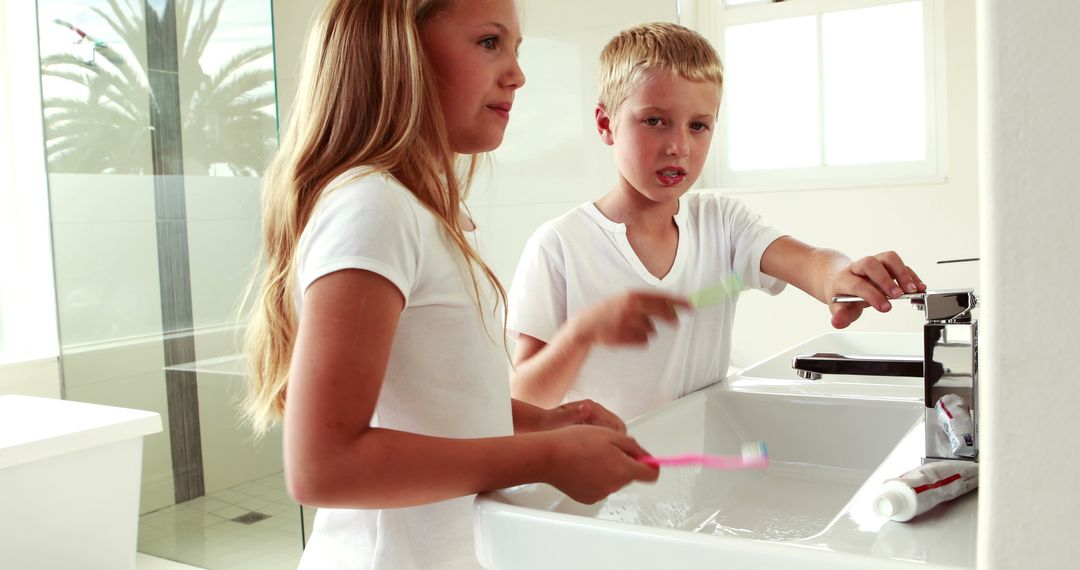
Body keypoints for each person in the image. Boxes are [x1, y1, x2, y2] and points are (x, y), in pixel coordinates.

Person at [241, 1, 659, 568]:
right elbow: (324, 466)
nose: (517, 73)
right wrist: (544, 456)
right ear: (399, 51)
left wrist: (542, 423)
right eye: (489, 42)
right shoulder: (374, 206)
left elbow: (429, 398)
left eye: (516, 49)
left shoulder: (421, 213)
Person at [507, 22, 926, 421]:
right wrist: (583, 334)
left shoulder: (720, 221)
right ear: (606, 124)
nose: (678, 146)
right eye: (654, 121)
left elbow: (808, 260)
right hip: (607, 479)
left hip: (698, 469)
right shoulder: (560, 245)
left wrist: (842, 277)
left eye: (698, 126)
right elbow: (523, 400)